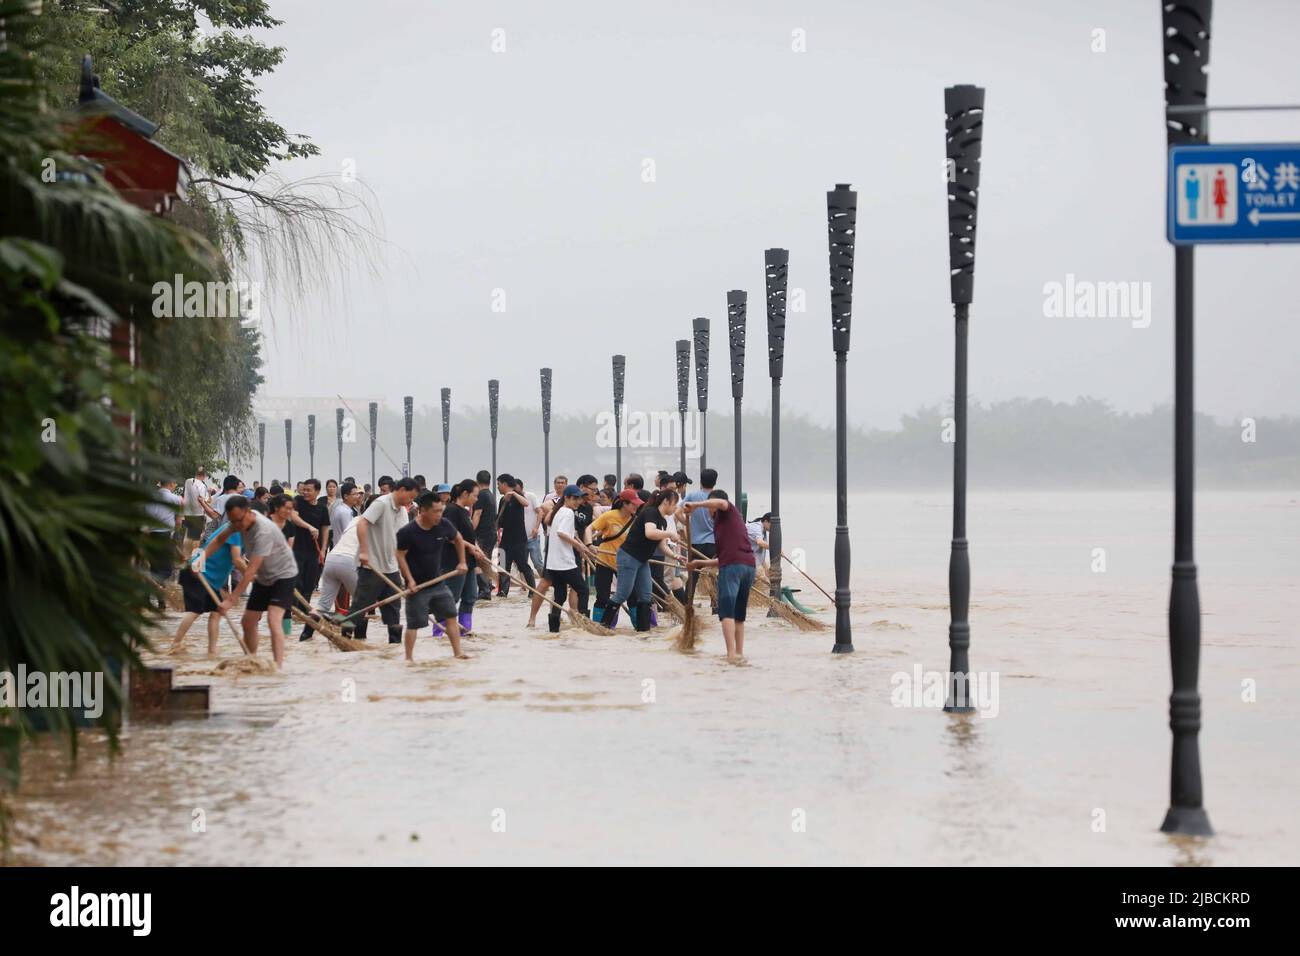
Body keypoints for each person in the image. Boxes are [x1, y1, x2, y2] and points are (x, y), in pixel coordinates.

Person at [207, 495, 300, 667]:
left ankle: (277, 667)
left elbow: (251, 570)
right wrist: (201, 558)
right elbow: (220, 540)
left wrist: (232, 599)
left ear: (248, 513)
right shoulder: (238, 521)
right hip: (265, 577)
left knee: (273, 620)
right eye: (232, 521)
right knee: (248, 621)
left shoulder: (263, 530)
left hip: (283, 575)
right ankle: (252, 661)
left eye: (238, 521)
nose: (236, 526)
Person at [395, 492, 469, 661]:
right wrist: (409, 580)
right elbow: (399, 555)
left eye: (441, 511)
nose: (439, 515)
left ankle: (458, 653)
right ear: (423, 511)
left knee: (451, 615)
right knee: (414, 624)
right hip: (417, 587)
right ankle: (409, 659)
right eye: (435, 511)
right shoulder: (408, 532)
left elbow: (458, 539)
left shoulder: (443, 525)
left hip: (438, 584)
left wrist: (462, 562)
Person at [685, 490, 756, 661]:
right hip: (747, 566)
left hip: (733, 568)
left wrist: (696, 505)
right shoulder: (726, 523)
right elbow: (724, 557)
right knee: (739, 615)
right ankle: (739, 653)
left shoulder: (728, 510)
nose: (708, 511)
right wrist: (699, 564)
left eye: (709, 507)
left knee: (726, 613)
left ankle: (730, 654)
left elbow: (722, 503)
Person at [352, 477, 418, 643]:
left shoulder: (402, 511)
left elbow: (401, 543)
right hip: (371, 567)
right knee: (361, 608)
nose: (411, 501)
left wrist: (409, 575)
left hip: (391, 568)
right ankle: (352, 644)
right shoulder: (381, 503)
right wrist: (364, 552)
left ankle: (394, 647)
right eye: (410, 497)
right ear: (401, 490)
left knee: (393, 609)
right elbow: (362, 524)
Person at [173, 516, 245, 655]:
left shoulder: (233, 529)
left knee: (217, 611)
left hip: (208, 577)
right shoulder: (235, 530)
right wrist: (250, 575)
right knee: (194, 611)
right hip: (198, 572)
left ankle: (212, 650)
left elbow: (238, 557)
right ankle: (175, 645)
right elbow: (237, 560)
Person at [610, 489, 678, 632]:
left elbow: (661, 544)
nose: (675, 508)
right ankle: (604, 625)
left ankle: (643, 631)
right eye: (674, 504)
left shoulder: (663, 521)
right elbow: (650, 533)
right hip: (629, 556)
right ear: (666, 502)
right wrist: (670, 533)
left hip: (642, 560)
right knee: (623, 593)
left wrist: (675, 556)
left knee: (646, 595)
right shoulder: (651, 513)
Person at [540, 484, 595, 632]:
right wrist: (579, 546)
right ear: (567, 498)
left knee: (560, 597)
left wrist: (577, 541)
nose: (578, 501)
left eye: (579, 498)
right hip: (564, 562)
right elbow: (562, 533)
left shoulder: (559, 512)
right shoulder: (568, 513)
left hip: (554, 563)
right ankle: (584, 625)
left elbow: (562, 533)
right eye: (575, 498)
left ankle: (554, 631)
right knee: (583, 590)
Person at [588, 489, 639, 626]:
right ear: (624, 504)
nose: (636, 506)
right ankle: (600, 627)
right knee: (602, 596)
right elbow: (589, 529)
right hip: (605, 560)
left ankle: (641, 629)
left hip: (625, 562)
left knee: (633, 596)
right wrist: (589, 544)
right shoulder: (609, 516)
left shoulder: (635, 520)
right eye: (633, 504)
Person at [441, 479, 486, 635]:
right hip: (454, 562)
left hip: (469, 562)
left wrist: (477, 549)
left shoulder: (465, 512)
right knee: (451, 599)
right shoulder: (451, 510)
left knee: (470, 596)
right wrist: (470, 547)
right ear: (465, 494)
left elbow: (469, 536)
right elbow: (450, 535)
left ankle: (464, 631)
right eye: (475, 495)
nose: (476, 499)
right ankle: (439, 632)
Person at [291, 478, 331, 607]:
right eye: (304, 490)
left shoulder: (322, 508)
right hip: (297, 549)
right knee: (296, 582)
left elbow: (325, 529)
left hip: (314, 551)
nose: (305, 493)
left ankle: (304, 612)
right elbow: (294, 516)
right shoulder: (298, 502)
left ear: (317, 491)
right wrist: (309, 527)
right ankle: (293, 611)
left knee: (310, 584)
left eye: (309, 490)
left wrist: (324, 550)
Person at [683, 467, 718, 613]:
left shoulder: (692, 495)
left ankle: (687, 607)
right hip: (715, 543)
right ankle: (716, 608)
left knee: (693, 575)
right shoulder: (718, 497)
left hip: (696, 543)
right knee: (715, 575)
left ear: (700, 481)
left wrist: (688, 525)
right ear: (715, 482)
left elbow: (678, 512)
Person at [495, 474, 535, 597]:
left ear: (504, 484)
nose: (497, 487)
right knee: (502, 565)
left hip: (519, 539)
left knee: (523, 565)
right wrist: (496, 534)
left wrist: (513, 494)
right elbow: (499, 520)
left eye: (498, 484)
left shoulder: (518, 497)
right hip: (506, 538)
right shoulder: (502, 500)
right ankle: (503, 591)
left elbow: (526, 503)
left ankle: (533, 591)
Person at [146, 478, 182, 608]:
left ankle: (150, 598)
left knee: (153, 567)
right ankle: (159, 597)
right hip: (166, 535)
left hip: (150, 535)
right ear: (171, 484)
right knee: (166, 569)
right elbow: (178, 522)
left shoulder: (150, 497)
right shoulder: (176, 499)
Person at [471, 469, 498, 599]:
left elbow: (477, 514)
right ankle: (488, 585)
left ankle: (484, 589)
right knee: (485, 562)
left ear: (477, 481)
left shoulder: (481, 495)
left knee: (479, 562)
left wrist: (470, 530)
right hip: (491, 533)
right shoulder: (491, 495)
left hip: (482, 534)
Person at [181, 466, 211, 542]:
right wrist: (209, 494)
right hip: (197, 514)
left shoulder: (188, 481)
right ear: (204, 475)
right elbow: (204, 500)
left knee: (188, 536)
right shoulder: (202, 485)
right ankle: (192, 553)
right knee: (195, 539)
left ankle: (186, 552)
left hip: (187, 513)